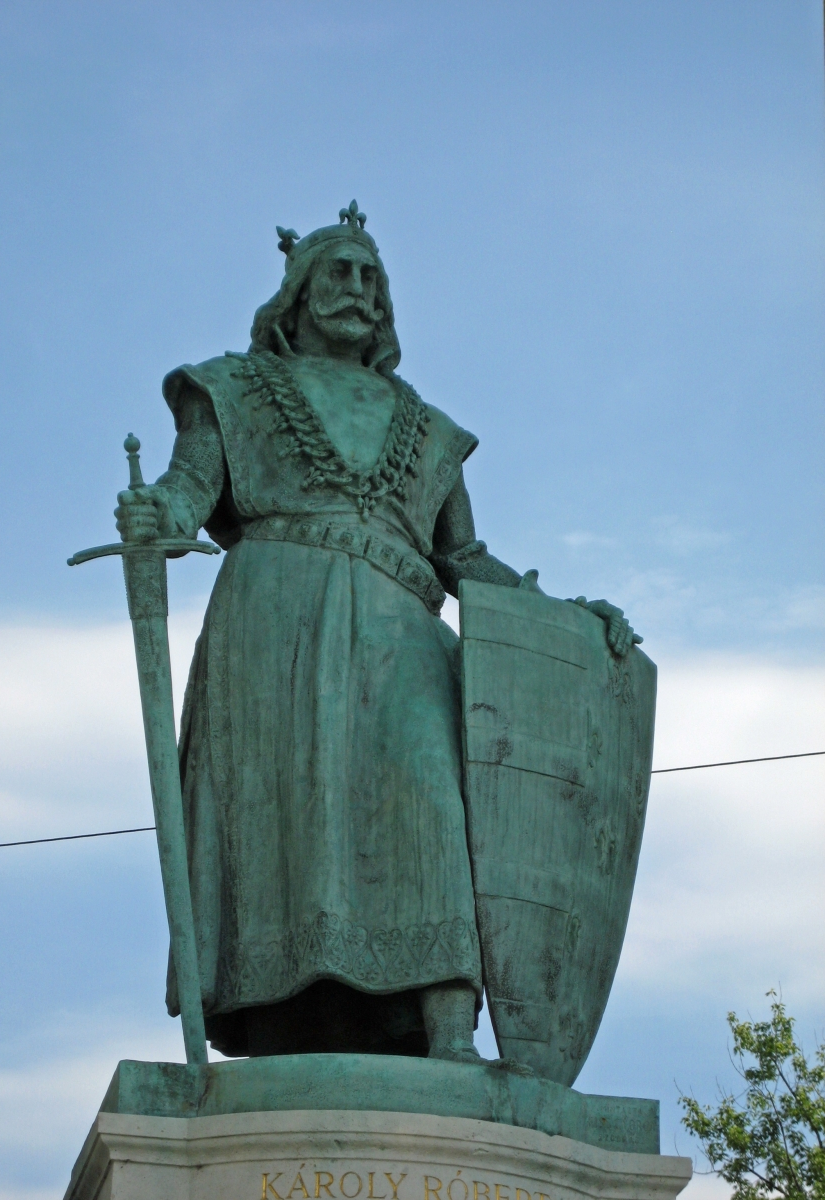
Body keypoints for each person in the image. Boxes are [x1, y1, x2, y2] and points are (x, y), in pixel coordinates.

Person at [115, 202, 638, 1061]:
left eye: (372, 277)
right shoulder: (231, 389)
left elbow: (463, 556)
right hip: (272, 631)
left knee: (432, 802)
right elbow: (186, 493)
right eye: (339, 273)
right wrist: (155, 513)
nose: (358, 290)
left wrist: (565, 617)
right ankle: (291, 1021)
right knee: (283, 829)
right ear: (297, 293)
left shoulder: (428, 428)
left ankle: (447, 1029)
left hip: (403, 635)